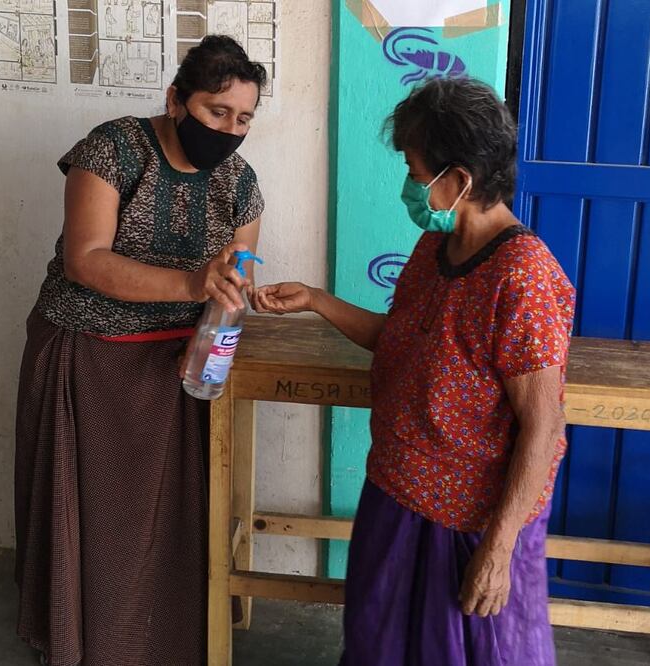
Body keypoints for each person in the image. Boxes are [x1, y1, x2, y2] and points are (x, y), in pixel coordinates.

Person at [255, 77, 575, 665]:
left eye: (414, 168)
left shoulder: (523, 277)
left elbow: (543, 426)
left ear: (458, 181)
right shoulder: (434, 250)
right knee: (381, 647)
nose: (408, 183)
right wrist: (318, 300)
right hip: (396, 494)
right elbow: (400, 341)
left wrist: (499, 548)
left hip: (469, 525)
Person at [15, 35, 266, 666]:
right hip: (90, 358)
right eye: (216, 111)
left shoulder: (239, 182)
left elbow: (235, 280)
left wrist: (220, 330)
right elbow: (85, 260)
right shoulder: (114, 148)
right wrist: (189, 282)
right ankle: (84, 641)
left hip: (181, 369)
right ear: (176, 99)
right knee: (98, 522)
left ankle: (164, 640)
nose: (230, 130)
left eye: (243, 118)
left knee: (166, 522)